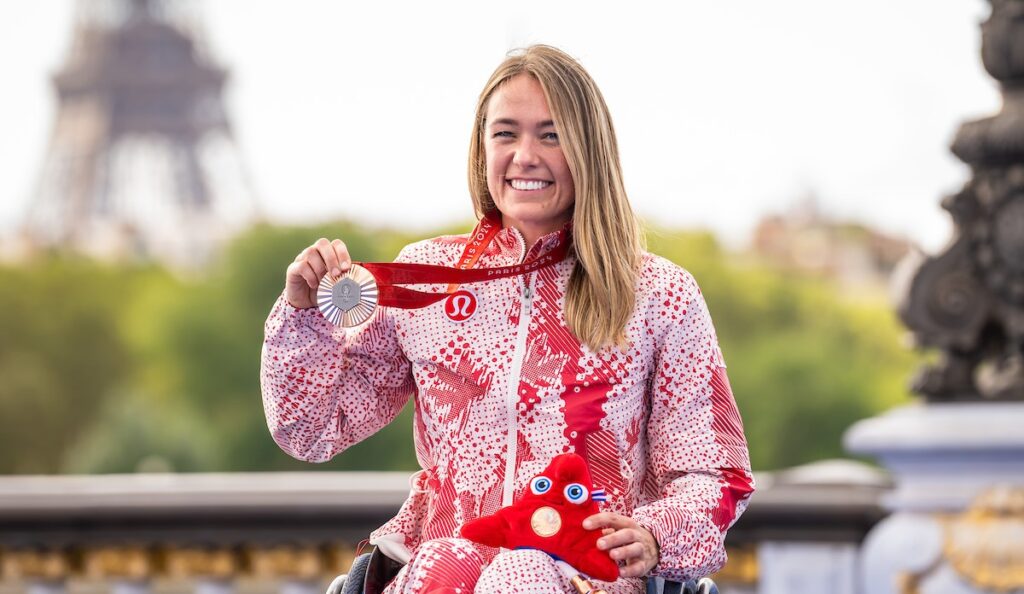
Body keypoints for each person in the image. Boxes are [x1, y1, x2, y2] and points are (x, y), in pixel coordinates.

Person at [261, 45, 753, 594]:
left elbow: (713, 474)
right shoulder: (425, 277)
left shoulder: (659, 294)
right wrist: (305, 316)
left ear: (589, 149)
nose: (525, 155)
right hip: (445, 567)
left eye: (551, 134)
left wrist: (655, 536)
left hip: (590, 573)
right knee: (440, 564)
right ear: (481, 148)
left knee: (523, 573)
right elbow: (311, 431)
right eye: (505, 134)